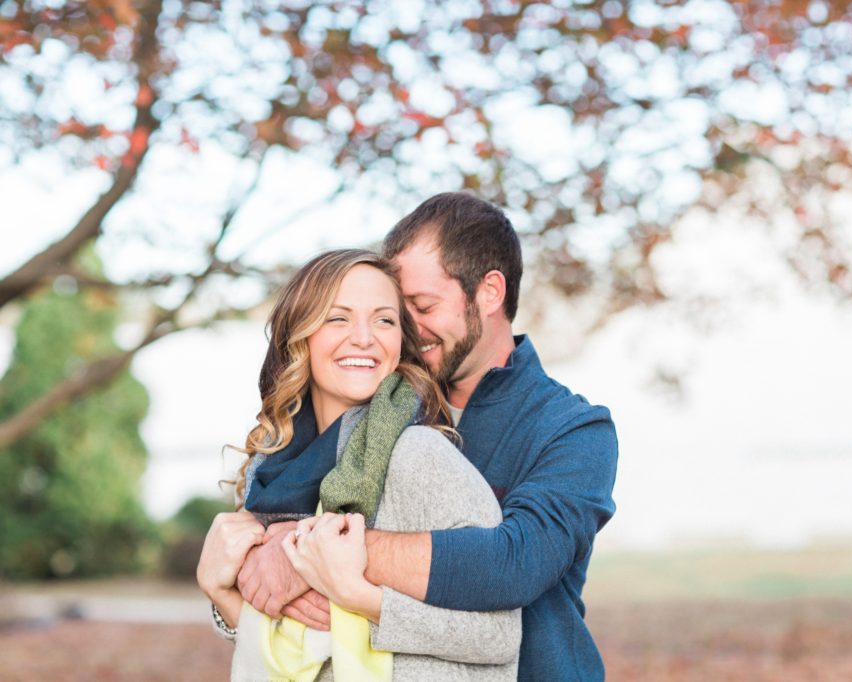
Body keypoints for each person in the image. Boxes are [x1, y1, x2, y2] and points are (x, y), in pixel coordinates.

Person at [238, 194, 619, 681]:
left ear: (489, 292)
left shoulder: (572, 429)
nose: (409, 331)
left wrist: (310, 542)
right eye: (400, 311)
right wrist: (227, 574)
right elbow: (297, 616)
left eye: (421, 306)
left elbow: (514, 562)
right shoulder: (377, 407)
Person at [196, 249, 521, 681]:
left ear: (401, 342)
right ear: (301, 335)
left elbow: (497, 637)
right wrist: (220, 591)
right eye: (338, 318)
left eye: (384, 320)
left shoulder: (419, 457)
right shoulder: (272, 468)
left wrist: (355, 595)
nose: (364, 337)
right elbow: (294, 654)